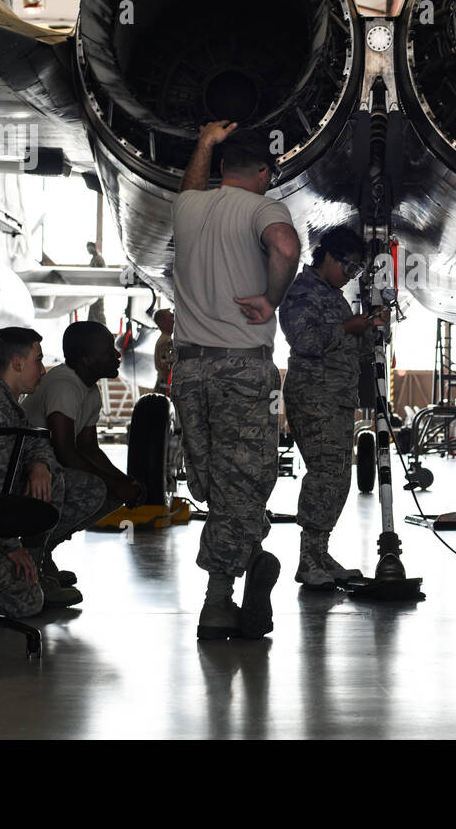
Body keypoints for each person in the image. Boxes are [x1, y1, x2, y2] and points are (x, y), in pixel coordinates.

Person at [170, 120, 301, 641]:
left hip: (190, 368)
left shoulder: (188, 208)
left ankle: (244, 568)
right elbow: (286, 248)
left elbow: (189, 187)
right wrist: (271, 298)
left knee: (210, 484)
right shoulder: (264, 208)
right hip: (242, 367)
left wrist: (203, 142)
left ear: (221, 170)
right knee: (242, 484)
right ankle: (221, 598)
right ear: (265, 173)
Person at [280, 225, 385, 589]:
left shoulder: (332, 295)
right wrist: (348, 327)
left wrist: (369, 328)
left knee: (339, 476)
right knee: (325, 474)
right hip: (314, 397)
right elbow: (305, 340)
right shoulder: (302, 292)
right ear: (327, 257)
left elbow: (350, 347)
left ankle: (320, 553)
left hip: (336, 399)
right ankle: (309, 559)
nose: (350, 276)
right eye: (349, 267)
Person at [0, 327, 81, 613]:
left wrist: (40, 465)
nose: (43, 370)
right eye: (38, 360)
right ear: (17, 363)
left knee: (53, 479)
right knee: (29, 601)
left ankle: (32, 564)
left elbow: (35, 440)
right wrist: (12, 546)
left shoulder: (8, 406)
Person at [23, 320, 143, 595]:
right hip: (30, 472)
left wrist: (125, 482)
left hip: (51, 472)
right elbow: (65, 450)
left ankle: (42, 554)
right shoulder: (65, 385)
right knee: (94, 488)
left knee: (114, 492)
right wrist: (114, 483)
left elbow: (88, 448)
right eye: (108, 351)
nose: (116, 355)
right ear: (86, 359)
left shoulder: (89, 389)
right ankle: (30, 566)